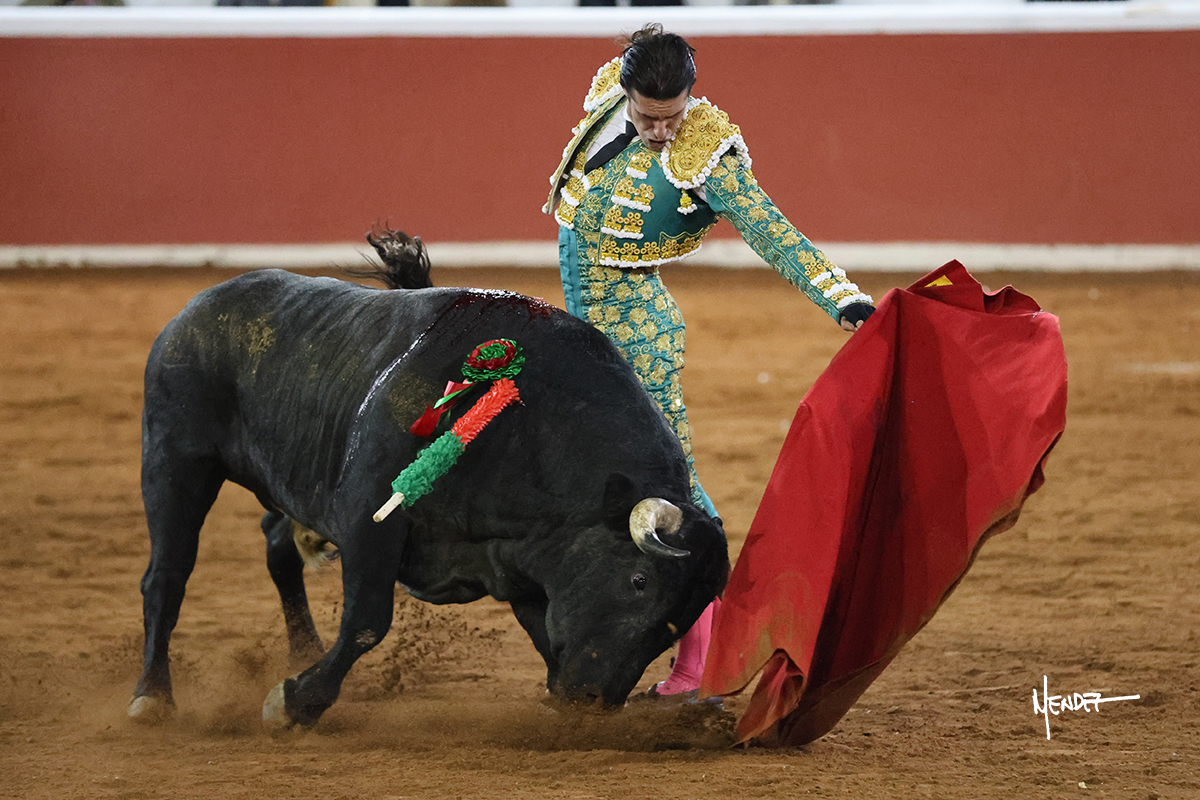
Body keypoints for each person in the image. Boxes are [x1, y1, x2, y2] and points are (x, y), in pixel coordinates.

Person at [543, 24, 875, 697]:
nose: (660, 131)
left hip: (637, 335)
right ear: (628, 92)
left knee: (672, 485)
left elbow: (773, 232)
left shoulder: (706, 155)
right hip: (585, 329)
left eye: (671, 117)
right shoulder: (613, 90)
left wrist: (845, 302)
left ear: (691, 100)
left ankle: (704, 652)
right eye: (647, 116)